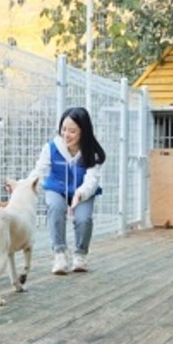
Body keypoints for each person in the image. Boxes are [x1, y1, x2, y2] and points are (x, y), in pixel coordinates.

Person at [28, 106, 105, 275]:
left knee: (83, 219)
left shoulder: (90, 152)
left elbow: (92, 180)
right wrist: (25, 187)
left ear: (83, 132)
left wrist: (80, 194)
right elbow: (39, 171)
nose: (66, 134)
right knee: (55, 208)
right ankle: (60, 254)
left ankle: (80, 255)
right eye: (63, 129)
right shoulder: (51, 148)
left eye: (72, 131)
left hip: (83, 191)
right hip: (57, 188)